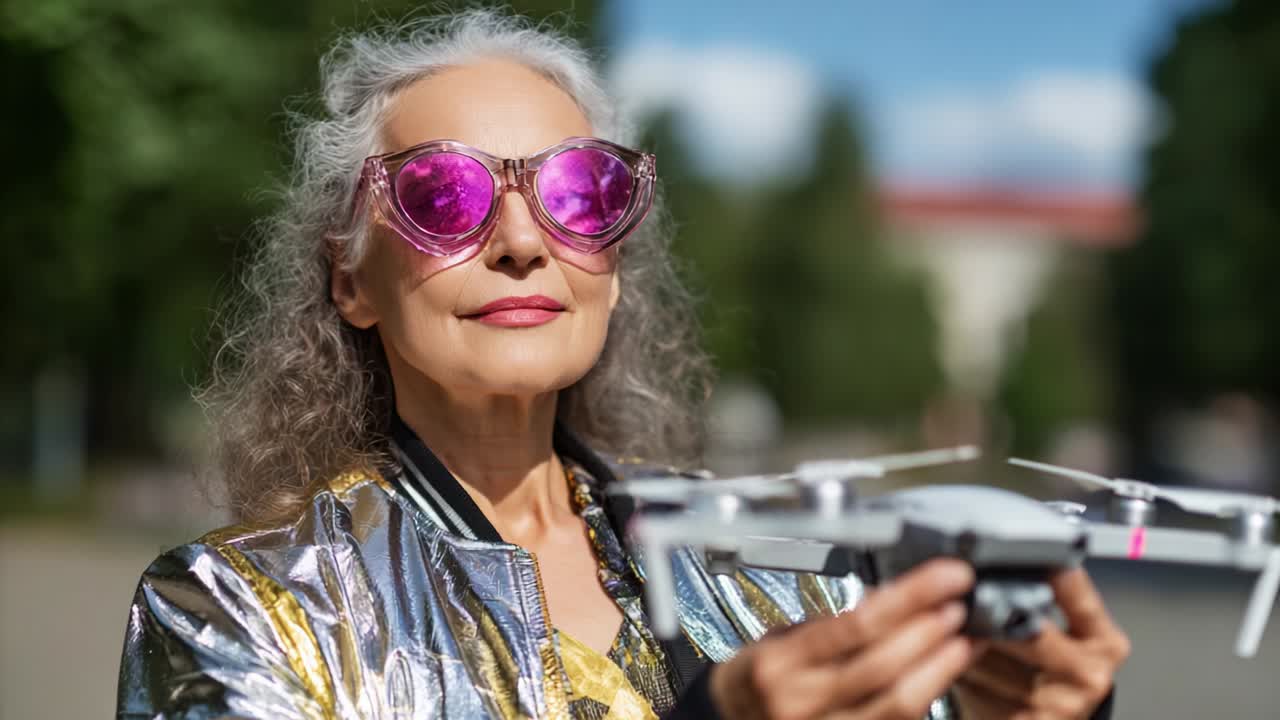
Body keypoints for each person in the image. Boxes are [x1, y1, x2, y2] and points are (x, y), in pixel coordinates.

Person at [115, 9, 1128, 719]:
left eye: (578, 192)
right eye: (440, 196)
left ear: (613, 265)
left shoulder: (779, 568)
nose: (521, 240)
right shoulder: (239, 608)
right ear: (350, 280)